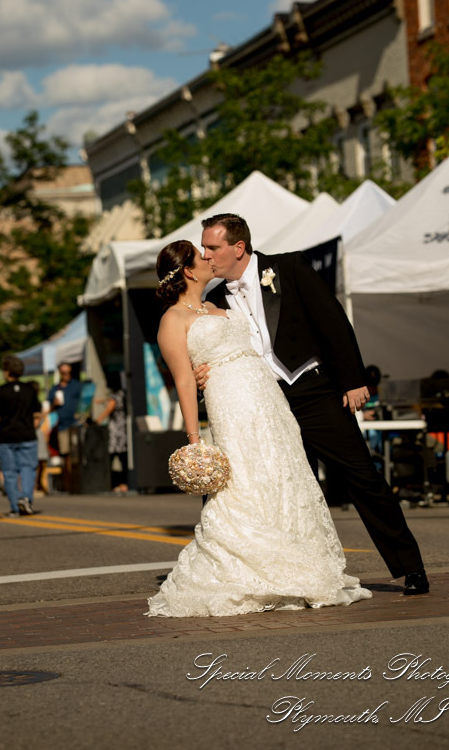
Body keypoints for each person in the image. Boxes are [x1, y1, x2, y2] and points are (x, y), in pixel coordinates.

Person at [197, 213, 429, 595]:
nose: (206, 255)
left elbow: (332, 320)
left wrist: (353, 379)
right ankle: (303, 578)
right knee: (290, 493)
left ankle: (410, 568)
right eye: (204, 248)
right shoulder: (215, 300)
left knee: (362, 478)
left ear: (238, 247)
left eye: (212, 247)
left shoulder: (289, 267)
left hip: (314, 391)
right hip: (266, 403)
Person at [146, 240, 372, 617]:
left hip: (268, 398)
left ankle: (297, 560)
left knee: (283, 473)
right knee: (245, 478)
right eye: (201, 255)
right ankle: (251, 565)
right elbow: (184, 380)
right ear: (187, 271)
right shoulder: (172, 320)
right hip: (231, 403)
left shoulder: (218, 307)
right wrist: (194, 440)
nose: (209, 258)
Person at [0, 356, 41, 517]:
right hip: (27, 435)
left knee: (10, 472)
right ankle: (26, 498)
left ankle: (15, 507)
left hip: (7, 436)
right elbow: (37, 413)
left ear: (8, 371)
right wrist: (32, 426)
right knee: (28, 468)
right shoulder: (29, 389)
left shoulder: (1, 391)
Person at [47, 362, 82, 491]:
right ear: (60, 373)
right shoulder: (55, 389)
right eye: (63, 373)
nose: (66, 375)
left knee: (76, 455)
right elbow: (48, 409)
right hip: (62, 426)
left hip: (76, 424)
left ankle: (77, 482)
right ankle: (68, 484)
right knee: (65, 455)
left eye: (68, 372)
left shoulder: (77, 385)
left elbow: (85, 401)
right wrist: (54, 404)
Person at [94, 373, 128, 494]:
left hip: (116, 432)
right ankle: (123, 483)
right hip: (122, 429)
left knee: (114, 457)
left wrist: (98, 419)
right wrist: (103, 401)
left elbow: (110, 408)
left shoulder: (115, 396)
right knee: (122, 457)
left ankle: (116, 483)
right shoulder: (121, 394)